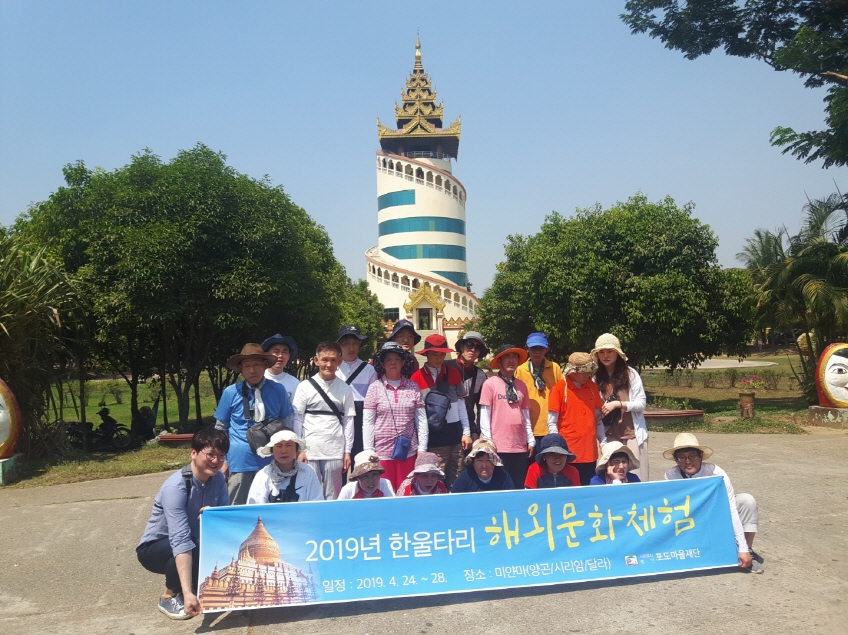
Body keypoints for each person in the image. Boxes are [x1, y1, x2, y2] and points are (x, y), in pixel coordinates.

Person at [137, 428, 230, 620]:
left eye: (221, 456)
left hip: (193, 540)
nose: (216, 461)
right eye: (210, 454)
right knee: (193, 545)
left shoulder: (218, 478)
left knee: (208, 548)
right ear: (193, 453)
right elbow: (180, 540)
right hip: (155, 548)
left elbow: (224, 517)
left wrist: (213, 514)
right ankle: (169, 596)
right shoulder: (175, 487)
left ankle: (192, 586)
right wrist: (188, 593)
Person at [663, 433, 763, 572]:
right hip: (691, 519)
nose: (687, 461)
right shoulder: (671, 476)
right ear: (676, 460)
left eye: (692, 456)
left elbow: (731, 508)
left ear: (701, 456)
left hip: (717, 513)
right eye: (681, 457)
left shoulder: (716, 473)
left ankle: (747, 550)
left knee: (746, 500)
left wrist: (743, 548)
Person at [214, 343, 295, 505]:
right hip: (239, 461)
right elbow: (220, 429)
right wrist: (223, 460)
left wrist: (288, 456)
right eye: (247, 366)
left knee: (271, 506)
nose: (252, 370)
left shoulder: (278, 390)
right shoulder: (231, 392)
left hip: (270, 460)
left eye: (257, 364)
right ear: (241, 369)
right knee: (237, 508)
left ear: (265, 365)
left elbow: (286, 426)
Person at [291, 341, 356, 501]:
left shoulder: (345, 389)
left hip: (335, 450)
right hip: (310, 450)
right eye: (325, 359)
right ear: (316, 360)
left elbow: (348, 422)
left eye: (333, 360)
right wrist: (299, 449)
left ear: (339, 362)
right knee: (307, 494)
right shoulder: (304, 386)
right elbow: (297, 419)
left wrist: (347, 451)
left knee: (333, 496)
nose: (329, 364)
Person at [363, 342, 429, 490]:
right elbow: (368, 422)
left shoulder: (413, 387)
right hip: (381, 453)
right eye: (388, 359)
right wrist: (369, 449)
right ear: (382, 364)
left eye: (397, 359)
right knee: (384, 493)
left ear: (403, 362)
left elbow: (421, 420)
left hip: (408, 452)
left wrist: (422, 448)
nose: (393, 362)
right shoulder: (374, 388)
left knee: (406, 492)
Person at [411, 333, 471, 489]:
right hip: (434, 436)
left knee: (457, 476)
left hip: (455, 434)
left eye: (441, 354)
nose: (438, 358)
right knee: (435, 478)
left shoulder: (454, 373)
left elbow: (461, 405)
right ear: (426, 354)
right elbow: (416, 415)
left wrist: (466, 432)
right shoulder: (416, 378)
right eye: (434, 354)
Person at [591, 333, 649, 480]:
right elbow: (596, 408)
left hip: (631, 433)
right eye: (601, 352)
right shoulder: (596, 378)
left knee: (634, 476)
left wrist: (618, 404)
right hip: (608, 434)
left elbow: (641, 403)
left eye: (610, 351)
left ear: (617, 353)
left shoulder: (630, 374)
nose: (605, 356)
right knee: (611, 475)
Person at [479, 344, 535, 488]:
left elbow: (525, 415)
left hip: (519, 446)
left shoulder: (522, 385)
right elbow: (485, 414)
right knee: (500, 486)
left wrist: (530, 439)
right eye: (507, 357)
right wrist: (489, 442)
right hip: (499, 445)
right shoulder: (490, 384)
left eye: (514, 357)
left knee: (518, 485)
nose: (511, 360)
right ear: (500, 361)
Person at [547, 352, 605, 486]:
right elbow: (552, 422)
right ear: (572, 371)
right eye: (583, 372)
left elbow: (598, 417)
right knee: (568, 488)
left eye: (589, 371)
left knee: (587, 488)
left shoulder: (592, 387)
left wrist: (603, 441)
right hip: (567, 453)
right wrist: (557, 447)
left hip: (589, 452)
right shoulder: (559, 388)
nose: (587, 375)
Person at [335, 325, 378, 462]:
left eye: (355, 343)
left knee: (360, 461)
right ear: (339, 345)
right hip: (338, 418)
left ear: (360, 345)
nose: (351, 348)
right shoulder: (333, 368)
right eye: (346, 343)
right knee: (338, 462)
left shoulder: (369, 370)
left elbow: (374, 399)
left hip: (361, 418)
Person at [246, 429, 323, 504]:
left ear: (296, 449)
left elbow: (316, 504)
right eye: (279, 446)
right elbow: (256, 507)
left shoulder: (308, 471)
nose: (284, 451)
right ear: (272, 450)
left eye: (288, 445)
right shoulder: (263, 475)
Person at [514, 332, 563, 448]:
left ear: (547, 349)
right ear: (527, 349)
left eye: (540, 348)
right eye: (533, 348)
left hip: (551, 427)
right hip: (529, 428)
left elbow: (562, 394)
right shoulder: (520, 370)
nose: (537, 351)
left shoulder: (554, 368)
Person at [446, 331, 489, 442]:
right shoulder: (445, 367)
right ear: (462, 347)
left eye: (477, 347)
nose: (473, 350)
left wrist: (476, 431)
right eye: (470, 345)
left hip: (469, 430)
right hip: (444, 426)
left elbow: (481, 407)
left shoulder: (480, 375)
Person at [450, 438, 515, 492]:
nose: (484, 465)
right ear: (473, 462)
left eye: (488, 460)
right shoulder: (465, 477)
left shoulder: (503, 476)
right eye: (480, 461)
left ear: (495, 462)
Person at [261, 333, 300, 402]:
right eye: (276, 351)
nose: (280, 355)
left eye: (284, 352)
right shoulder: (258, 379)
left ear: (288, 356)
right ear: (267, 355)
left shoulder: (295, 383)